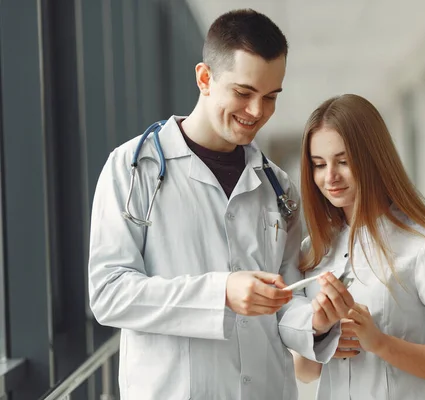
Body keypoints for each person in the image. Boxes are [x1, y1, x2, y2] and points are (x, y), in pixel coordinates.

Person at [88, 9, 352, 400]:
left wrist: (315, 321)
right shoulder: (133, 169)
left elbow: (286, 301)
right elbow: (109, 294)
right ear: (205, 78)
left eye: (270, 97)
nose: (257, 112)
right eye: (243, 93)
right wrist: (220, 294)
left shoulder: (278, 188)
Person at [292, 94, 425, 399]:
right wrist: (321, 335)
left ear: (372, 158)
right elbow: (305, 371)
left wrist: (378, 342)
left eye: (343, 161)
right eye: (318, 165)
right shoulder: (313, 252)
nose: (330, 177)